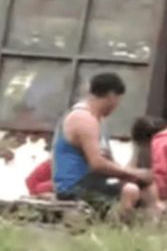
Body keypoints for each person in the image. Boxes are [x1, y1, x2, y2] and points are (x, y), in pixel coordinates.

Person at [52, 73, 156, 219]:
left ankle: (153, 228)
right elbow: (98, 164)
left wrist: (133, 174)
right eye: (118, 100)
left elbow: (109, 161)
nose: (116, 106)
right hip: (75, 185)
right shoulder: (83, 119)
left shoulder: (98, 120)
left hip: (95, 181)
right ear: (112, 96)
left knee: (144, 186)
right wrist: (135, 173)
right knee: (130, 190)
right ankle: (115, 228)